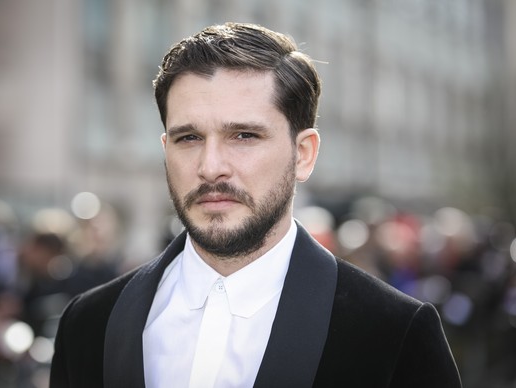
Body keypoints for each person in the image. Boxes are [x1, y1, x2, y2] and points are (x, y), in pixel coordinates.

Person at [50, 22, 462, 388]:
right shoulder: (89, 323)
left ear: (303, 154)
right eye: (188, 138)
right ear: (165, 150)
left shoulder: (393, 332)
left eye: (244, 136)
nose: (211, 167)